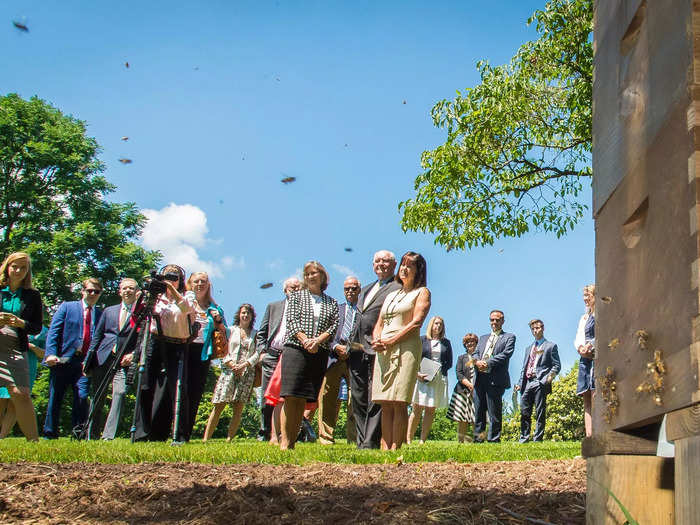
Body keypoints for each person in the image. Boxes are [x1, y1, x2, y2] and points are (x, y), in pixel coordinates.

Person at [371, 251, 431, 451]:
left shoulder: (422, 292)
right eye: (402, 265)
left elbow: (416, 323)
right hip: (384, 349)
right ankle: (384, 446)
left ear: (418, 270)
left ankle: (396, 445)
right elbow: (379, 322)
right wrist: (377, 339)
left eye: (409, 266)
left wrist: (393, 340)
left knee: (398, 400)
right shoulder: (391, 294)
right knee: (385, 401)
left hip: (405, 348)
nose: (404, 269)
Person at [132, 264, 195, 445]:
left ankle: (181, 435)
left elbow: (186, 308)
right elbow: (141, 314)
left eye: (174, 277)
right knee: (145, 385)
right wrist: (148, 294)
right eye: (167, 276)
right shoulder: (156, 296)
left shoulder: (187, 295)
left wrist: (170, 289)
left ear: (180, 280)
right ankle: (141, 433)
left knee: (178, 388)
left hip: (177, 345)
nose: (170, 280)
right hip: (155, 341)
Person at [279, 261, 339, 450]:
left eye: (315, 273)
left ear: (323, 276)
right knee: (291, 396)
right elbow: (292, 321)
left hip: (318, 353)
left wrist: (317, 341)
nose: (311, 276)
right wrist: (305, 340)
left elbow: (333, 325)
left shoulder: (331, 302)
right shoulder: (296, 297)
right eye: (308, 274)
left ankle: (293, 442)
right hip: (296, 349)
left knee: (303, 399)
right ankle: (284, 442)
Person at [351, 250, 401, 449]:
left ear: (394, 264)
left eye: (385, 261)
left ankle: (371, 441)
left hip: (379, 346)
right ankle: (361, 440)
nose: (380, 264)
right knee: (358, 396)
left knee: (375, 396)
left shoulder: (397, 287)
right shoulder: (365, 289)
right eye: (377, 261)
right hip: (356, 348)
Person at [43, 277, 104, 439]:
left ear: (100, 294)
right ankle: (50, 434)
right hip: (62, 360)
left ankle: (78, 434)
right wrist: (50, 353)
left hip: (84, 364)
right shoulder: (67, 307)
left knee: (82, 397)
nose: (92, 294)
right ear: (82, 291)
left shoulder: (100, 314)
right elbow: (53, 332)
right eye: (89, 290)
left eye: (96, 291)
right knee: (55, 397)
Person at [82, 277, 139, 440]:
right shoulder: (109, 311)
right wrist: (88, 360)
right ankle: (90, 434)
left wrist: (134, 354)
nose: (128, 291)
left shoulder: (141, 315)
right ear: (119, 292)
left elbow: (143, 339)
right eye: (125, 288)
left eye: (131, 288)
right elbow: (97, 336)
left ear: (137, 292)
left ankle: (108, 436)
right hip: (103, 358)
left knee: (120, 393)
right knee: (97, 396)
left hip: (124, 362)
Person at [0, 252, 43, 441]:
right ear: (7, 267)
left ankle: (33, 441)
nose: (18, 271)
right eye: (14, 266)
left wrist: (20, 323)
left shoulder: (32, 296)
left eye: (23, 268)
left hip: (16, 347)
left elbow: (36, 326)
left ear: (27, 272)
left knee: (21, 393)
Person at [255, 277, 302, 443]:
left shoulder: (304, 309)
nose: (295, 290)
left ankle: (285, 434)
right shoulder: (273, 306)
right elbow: (262, 333)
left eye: (298, 288)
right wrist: (262, 352)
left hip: (292, 355)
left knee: (286, 397)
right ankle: (265, 432)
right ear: (285, 290)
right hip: (272, 355)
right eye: (292, 288)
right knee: (268, 397)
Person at [203, 304, 257, 441]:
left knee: (238, 408)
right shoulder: (230, 330)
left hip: (246, 372)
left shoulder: (255, 334)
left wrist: (245, 365)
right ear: (239, 315)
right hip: (229, 371)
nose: (245, 315)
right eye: (243, 313)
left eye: (248, 313)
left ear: (252, 317)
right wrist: (231, 364)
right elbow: (221, 348)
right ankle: (206, 439)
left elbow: (257, 353)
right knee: (219, 405)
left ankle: (229, 439)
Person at [318, 276, 361, 445]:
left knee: (354, 400)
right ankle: (326, 437)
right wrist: (336, 347)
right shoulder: (336, 309)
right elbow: (325, 333)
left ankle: (354, 438)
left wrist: (351, 349)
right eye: (347, 289)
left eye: (353, 288)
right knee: (327, 397)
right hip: (334, 358)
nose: (350, 291)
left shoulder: (363, 312)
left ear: (359, 290)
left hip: (355, 359)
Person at [186, 272, 226, 441]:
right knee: (180, 390)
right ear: (190, 283)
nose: (200, 284)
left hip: (203, 352)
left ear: (208, 285)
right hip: (184, 348)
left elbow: (223, 331)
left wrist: (217, 320)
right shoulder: (186, 302)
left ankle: (185, 432)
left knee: (195, 392)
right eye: (196, 281)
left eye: (203, 281)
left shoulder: (214, 307)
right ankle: (172, 429)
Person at [407, 315, 452, 444]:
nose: (438, 326)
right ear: (431, 325)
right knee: (417, 407)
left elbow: (449, 362)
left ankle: (422, 440)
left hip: (438, 377)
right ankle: (408, 439)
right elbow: (413, 359)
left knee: (431, 409)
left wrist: (437, 370)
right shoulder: (422, 340)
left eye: (440, 324)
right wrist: (418, 373)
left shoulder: (446, 343)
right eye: (436, 324)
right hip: (422, 376)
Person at [472, 310, 516, 443]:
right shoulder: (483, 338)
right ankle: (478, 439)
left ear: (503, 321)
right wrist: (477, 362)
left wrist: (487, 363)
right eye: (492, 320)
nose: (494, 322)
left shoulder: (509, 337)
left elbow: (506, 354)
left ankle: (494, 439)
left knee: (494, 412)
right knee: (479, 411)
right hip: (480, 378)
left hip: (495, 379)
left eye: (497, 320)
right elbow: (475, 353)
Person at [515, 319, 561, 442]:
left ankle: (537, 439)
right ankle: (524, 438)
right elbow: (524, 367)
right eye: (533, 329)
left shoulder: (550, 346)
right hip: (527, 382)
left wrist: (548, 379)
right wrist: (520, 383)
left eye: (538, 328)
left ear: (543, 328)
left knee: (540, 412)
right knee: (525, 412)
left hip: (540, 381)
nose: (535, 330)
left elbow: (557, 366)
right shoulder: (528, 348)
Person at [0, 326, 47, 438]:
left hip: (28, 365)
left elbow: (44, 354)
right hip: (6, 361)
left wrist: (32, 347)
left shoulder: (42, 331)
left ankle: (2, 436)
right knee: (1, 398)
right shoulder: (7, 323)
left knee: (16, 402)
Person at [446, 333, 478, 443]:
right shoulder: (461, 358)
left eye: (472, 341)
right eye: (468, 342)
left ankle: (477, 442)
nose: (470, 344)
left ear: (476, 343)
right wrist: (469, 384)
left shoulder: (480, 357)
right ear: (465, 344)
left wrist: (475, 386)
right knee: (462, 418)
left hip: (477, 392)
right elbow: (459, 374)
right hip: (462, 391)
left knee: (475, 417)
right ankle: (460, 442)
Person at [575, 284, 595, 437]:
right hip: (585, 360)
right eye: (584, 296)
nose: (585, 299)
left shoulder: (601, 315)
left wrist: (592, 346)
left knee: (596, 395)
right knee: (586, 398)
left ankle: (600, 434)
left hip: (597, 358)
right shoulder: (584, 318)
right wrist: (580, 347)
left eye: (588, 296)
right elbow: (579, 337)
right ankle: (590, 437)